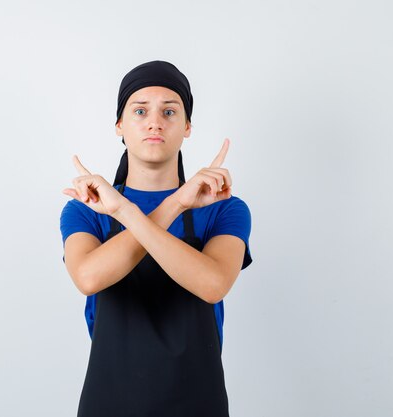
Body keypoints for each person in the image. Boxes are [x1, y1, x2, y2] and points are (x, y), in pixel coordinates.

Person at [59, 60, 253, 417]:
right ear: (119, 125)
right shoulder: (89, 208)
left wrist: (128, 212)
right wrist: (173, 204)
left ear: (187, 126)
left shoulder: (224, 208)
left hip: (199, 404)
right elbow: (88, 278)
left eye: (169, 111)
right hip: (109, 403)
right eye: (140, 111)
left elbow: (213, 285)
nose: (155, 122)